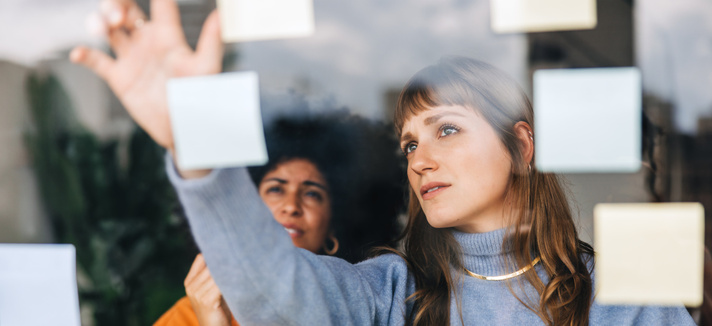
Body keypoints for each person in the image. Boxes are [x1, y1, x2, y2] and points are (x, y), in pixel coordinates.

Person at [71, 0, 696, 324]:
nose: (421, 159)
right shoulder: (390, 295)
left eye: (446, 129)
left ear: (522, 148)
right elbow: (275, 292)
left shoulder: (614, 297)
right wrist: (195, 146)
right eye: (410, 144)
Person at [153, 114, 405, 326]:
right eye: (276, 189)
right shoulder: (184, 317)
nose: (291, 206)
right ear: (245, 209)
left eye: (312, 194)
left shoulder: (359, 311)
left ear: (333, 229)